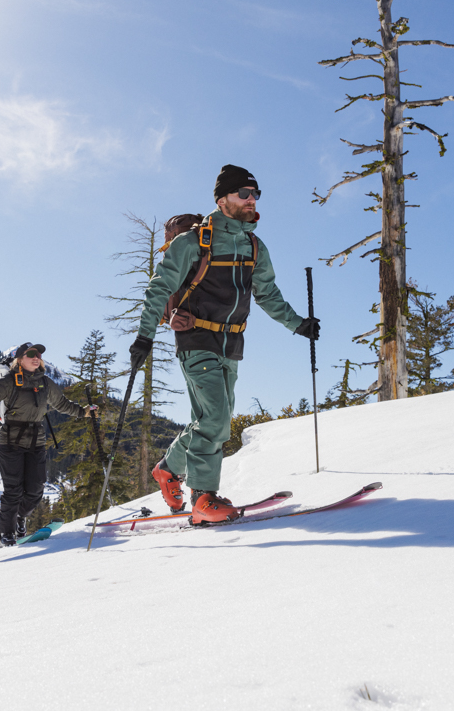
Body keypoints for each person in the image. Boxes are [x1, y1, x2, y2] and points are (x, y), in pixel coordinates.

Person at [128, 164, 319, 524]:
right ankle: (203, 500)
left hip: (232, 341)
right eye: (243, 194)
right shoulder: (192, 242)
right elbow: (160, 287)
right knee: (215, 418)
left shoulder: (254, 246)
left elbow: (268, 294)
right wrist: (144, 336)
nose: (251, 200)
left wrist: (299, 325)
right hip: (196, 336)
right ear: (222, 199)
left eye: (255, 194)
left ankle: (168, 469)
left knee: (213, 422)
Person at [0, 342, 98, 546]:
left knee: (36, 488)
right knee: (13, 490)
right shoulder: (10, 381)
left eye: (38, 354)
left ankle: (19, 517)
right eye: (30, 354)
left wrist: (84, 412)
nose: (36, 357)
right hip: (11, 441)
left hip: (36, 442)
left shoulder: (45, 382)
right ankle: (7, 534)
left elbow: (62, 404)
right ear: (19, 360)